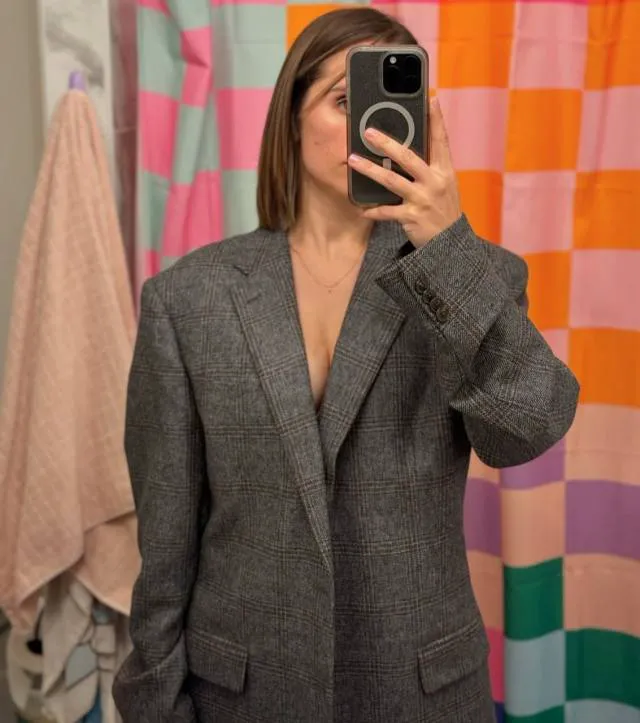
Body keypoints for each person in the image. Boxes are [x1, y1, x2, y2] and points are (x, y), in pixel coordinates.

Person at [112, 7, 580, 723]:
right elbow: (165, 544)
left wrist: (445, 248)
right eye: (344, 100)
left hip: (420, 691)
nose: (376, 128)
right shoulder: (188, 300)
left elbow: (529, 425)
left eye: (394, 104)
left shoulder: (467, 276)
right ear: (290, 118)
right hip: (243, 693)